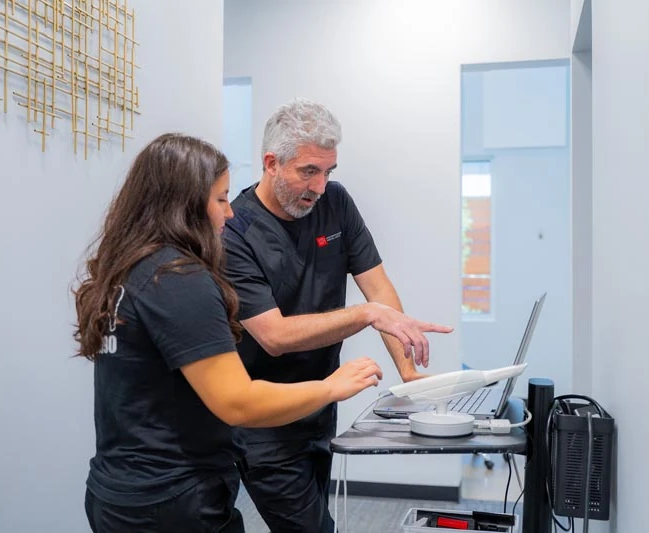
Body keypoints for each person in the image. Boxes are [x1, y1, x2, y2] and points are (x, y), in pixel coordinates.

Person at [72, 133, 383, 533]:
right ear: (184, 205)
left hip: (118, 490)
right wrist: (333, 387)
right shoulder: (178, 279)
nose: (230, 213)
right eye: (220, 199)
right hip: (172, 498)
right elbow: (238, 402)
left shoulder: (129, 269)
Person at [223, 99, 454, 533]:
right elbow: (273, 335)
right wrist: (367, 315)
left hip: (321, 404)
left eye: (328, 171)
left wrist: (408, 372)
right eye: (308, 171)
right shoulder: (236, 232)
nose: (320, 186)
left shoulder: (335, 202)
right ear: (271, 163)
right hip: (265, 420)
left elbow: (378, 287)